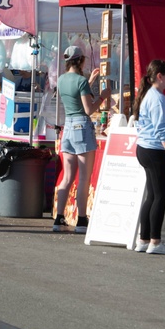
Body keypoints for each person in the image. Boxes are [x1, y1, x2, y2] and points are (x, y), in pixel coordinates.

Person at [52, 45, 109, 233]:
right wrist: (103, 97)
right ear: (80, 60)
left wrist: (90, 81)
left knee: (67, 177)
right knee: (84, 177)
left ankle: (59, 218)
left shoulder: (61, 80)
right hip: (82, 127)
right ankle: (82, 220)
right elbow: (88, 109)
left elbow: (76, 96)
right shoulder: (80, 81)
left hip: (67, 127)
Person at [134, 59, 165, 255]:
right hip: (156, 151)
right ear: (159, 76)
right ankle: (154, 240)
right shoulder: (157, 99)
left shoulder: (149, 96)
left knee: (153, 195)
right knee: (160, 196)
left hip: (146, 148)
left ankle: (144, 239)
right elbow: (162, 131)